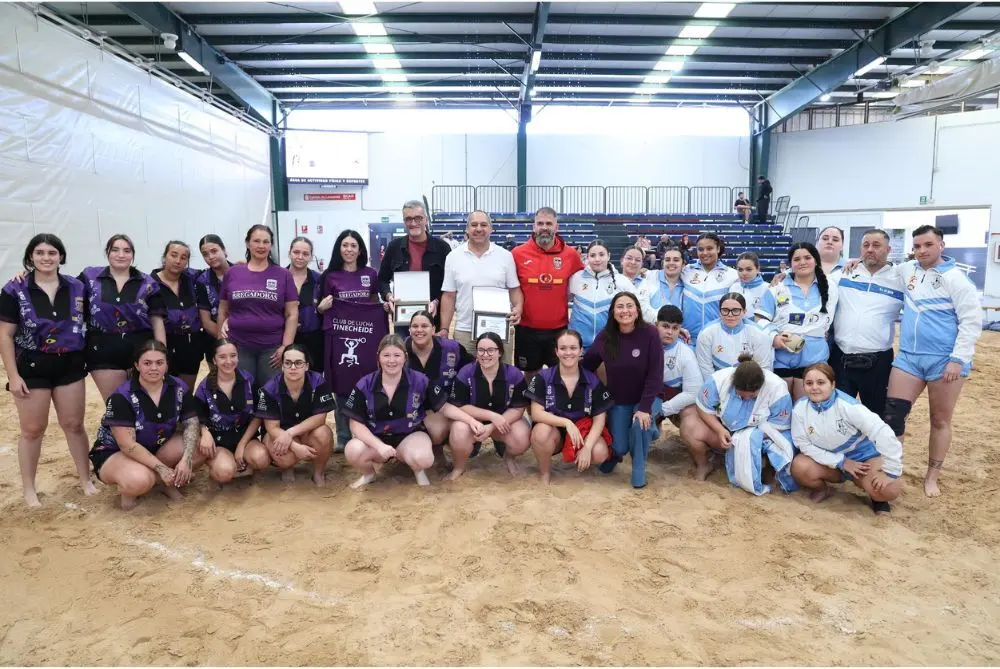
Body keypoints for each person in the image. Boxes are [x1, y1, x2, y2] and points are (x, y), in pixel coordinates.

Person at [881, 225, 981, 498]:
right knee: (893, 416)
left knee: (939, 420)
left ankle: (932, 476)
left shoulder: (956, 279)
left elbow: (971, 322)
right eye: (917, 246)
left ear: (941, 245)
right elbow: (880, 269)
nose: (922, 250)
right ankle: (892, 469)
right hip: (909, 358)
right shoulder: (907, 270)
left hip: (945, 361)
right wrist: (854, 263)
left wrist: (957, 360)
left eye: (928, 245)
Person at [0, 234, 96, 507]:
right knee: (32, 429)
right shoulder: (14, 289)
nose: (46, 257)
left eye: (52, 252)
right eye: (40, 252)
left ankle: (85, 480)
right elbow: (5, 335)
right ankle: (29, 490)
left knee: (74, 425)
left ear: (61, 256)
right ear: (30, 257)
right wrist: (13, 376)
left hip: (70, 365)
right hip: (32, 367)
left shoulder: (77, 286)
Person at [342, 334, 483, 488]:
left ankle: (418, 471)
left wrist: (471, 420)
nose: (391, 360)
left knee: (424, 458)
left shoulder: (419, 380)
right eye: (386, 355)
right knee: (353, 450)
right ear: (378, 357)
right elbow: (355, 424)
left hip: (409, 436)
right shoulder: (365, 384)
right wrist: (379, 446)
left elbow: (444, 407)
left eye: (397, 355)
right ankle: (369, 474)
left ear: (405, 357)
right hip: (377, 439)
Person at [88, 340, 203, 510]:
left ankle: (166, 484)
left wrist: (186, 460)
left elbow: (191, 423)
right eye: (147, 363)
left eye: (159, 363)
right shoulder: (122, 396)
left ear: (166, 365)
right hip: (116, 452)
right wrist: (161, 468)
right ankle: (130, 492)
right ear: (137, 365)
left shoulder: (178, 387)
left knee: (200, 448)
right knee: (140, 480)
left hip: (157, 446)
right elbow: (127, 445)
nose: (154, 368)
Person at [790, 363, 903, 514]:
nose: (814, 387)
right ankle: (823, 489)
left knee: (890, 489)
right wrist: (841, 462)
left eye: (821, 382)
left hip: (863, 461)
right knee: (799, 467)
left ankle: (877, 498)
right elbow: (802, 443)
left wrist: (890, 471)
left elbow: (883, 432)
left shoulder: (849, 406)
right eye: (809, 383)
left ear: (833, 384)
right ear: (803, 386)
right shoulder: (800, 408)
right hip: (832, 462)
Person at [582, 293, 664, 488]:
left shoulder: (650, 333)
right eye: (620, 306)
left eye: (629, 306)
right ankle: (623, 451)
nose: (625, 311)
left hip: (648, 397)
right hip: (619, 399)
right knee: (619, 447)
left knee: (639, 425)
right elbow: (587, 366)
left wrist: (644, 408)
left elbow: (655, 375)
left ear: (637, 310)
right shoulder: (606, 336)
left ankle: (638, 470)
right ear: (613, 312)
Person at [316, 229, 385, 451]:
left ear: (360, 250)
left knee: (369, 385)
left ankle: (369, 434)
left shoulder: (370, 274)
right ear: (339, 249)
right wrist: (321, 308)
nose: (349, 250)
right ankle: (344, 437)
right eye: (345, 245)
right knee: (342, 387)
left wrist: (383, 308)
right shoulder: (329, 276)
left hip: (366, 337)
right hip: (339, 339)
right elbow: (320, 307)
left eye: (353, 245)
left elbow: (374, 302)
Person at [78, 234, 167, 401]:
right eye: (115, 250)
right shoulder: (89, 277)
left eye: (127, 251)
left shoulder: (147, 282)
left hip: (141, 350)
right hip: (103, 351)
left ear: (133, 254)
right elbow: (62, 286)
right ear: (107, 252)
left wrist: (162, 354)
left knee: (143, 403)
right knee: (117, 404)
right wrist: (29, 276)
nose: (121, 255)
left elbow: (157, 321)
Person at [691, 353, 796, 493]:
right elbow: (703, 408)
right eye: (741, 395)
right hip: (725, 430)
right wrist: (719, 430)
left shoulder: (777, 388)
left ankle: (768, 471)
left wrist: (747, 438)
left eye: (752, 396)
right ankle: (704, 464)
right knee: (691, 428)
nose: (746, 399)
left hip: (762, 435)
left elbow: (780, 426)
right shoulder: (718, 380)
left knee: (780, 442)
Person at [524, 330, 614, 485]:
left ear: (581, 350)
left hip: (582, 432)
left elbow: (600, 419)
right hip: (555, 431)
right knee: (540, 433)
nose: (568, 353)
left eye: (573, 348)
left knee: (600, 452)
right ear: (556, 351)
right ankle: (545, 472)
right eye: (563, 348)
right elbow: (537, 413)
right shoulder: (543, 377)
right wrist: (566, 423)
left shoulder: (592, 380)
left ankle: (581, 459)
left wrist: (587, 448)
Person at [829, 229, 901, 417]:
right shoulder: (845, 273)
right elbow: (815, 281)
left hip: (878, 361)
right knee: (840, 414)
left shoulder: (900, 278)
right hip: (841, 357)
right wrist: (786, 275)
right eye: (866, 245)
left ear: (888, 249)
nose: (870, 249)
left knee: (875, 415)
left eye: (876, 245)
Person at [438, 210, 523, 362]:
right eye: (474, 225)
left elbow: (514, 289)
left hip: (500, 330)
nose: (479, 229)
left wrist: (518, 308)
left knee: (502, 374)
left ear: (491, 228)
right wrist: (444, 328)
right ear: (467, 229)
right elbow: (449, 296)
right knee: (466, 374)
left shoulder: (505, 256)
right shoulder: (453, 257)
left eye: (483, 225)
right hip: (465, 330)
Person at [756, 242, 837, 401]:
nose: (802, 262)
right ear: (790, 264)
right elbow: (760, 318)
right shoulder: (777, 287)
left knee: (806, 406)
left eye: (807, 258)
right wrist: (774, 337)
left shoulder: (831, 286)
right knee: (781, 407)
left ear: (816, 260)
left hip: (814, 357)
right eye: (797, 259)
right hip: (781, 356)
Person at [217, 224, 298, 383]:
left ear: (271, 245)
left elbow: (292, 314)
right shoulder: (233, 273)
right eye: (256, 241)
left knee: (270, 393)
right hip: (238, 346)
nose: (261, 246)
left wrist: (286, 347)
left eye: (266, 242)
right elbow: (222, 310)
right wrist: (221, 344)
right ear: (248, 243)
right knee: (243, 391)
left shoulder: (283, 275)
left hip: (272, 349)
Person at [511, 207, 585, 378]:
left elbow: (586, 280)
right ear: (534, 227)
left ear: (556, 227)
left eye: (549, 224)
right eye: (540, 223)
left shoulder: (571, 255)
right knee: (530, 375)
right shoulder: (517, 254)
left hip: (558, 329)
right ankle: (533, 398)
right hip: (526, 329)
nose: (544, 227)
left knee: (560, 375)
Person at [446, 332, 531, 479]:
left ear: (500, 352)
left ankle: (509, 457)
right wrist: (492, 416)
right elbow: (460, 405)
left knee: (522, 437)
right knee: (458, 430)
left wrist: (492, 426)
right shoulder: (466, 372)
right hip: (473, 423)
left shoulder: (514, 374)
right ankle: (459, 466)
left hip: (502, 422)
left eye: (491, 350)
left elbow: (518, 408)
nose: (485, 355)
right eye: (481, 350)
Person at [254, 344, 334, 485]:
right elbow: (272, 428)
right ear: (282, 366)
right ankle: (287, 468)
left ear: (306, 366)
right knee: (283, 456)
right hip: (279, 433)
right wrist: (295, 447)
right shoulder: (270, 388)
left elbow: (320, 418)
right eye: (288, 363)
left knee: (324, 434)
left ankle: (318, 472)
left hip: (306, 432)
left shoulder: (318, 382)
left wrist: (290, 433)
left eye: (298, 363)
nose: (292, 367)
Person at [193, 338, 266, 486]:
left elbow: (259, 414)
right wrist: (204, 433)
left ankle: (247, 464)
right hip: (219, 440)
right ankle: (219, 466)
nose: (229, 361)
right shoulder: (205, 386)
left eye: (233, 356)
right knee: (225, 472)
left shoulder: (248, 380)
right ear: (214, 360)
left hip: (245, 437)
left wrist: (242, 445)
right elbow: (197, 415)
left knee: (261, 459)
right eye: (222, 357)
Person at [378, 200, 453, 331]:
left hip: (433, 319)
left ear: (426, 219)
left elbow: (449, 285)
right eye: (408, 219)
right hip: (402, 320)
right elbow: (382, 280)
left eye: (418, 218)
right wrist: (389, 296)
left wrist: (436, 301)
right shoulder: (394, 247)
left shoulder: (442, 248)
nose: (413, 223)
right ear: (404, 221)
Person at [405, 310, 474, 447]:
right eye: (415, 326)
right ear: (409, 329)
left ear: (433, 329)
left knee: (439, 430)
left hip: (445, 404)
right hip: (412, 407)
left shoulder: (451, 348)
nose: (419, 330)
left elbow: (471, 369)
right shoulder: (399, 350)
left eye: (424, 326)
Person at [569, 240, 655, 349]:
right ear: (587, 257)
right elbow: (562, 300)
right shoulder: (576, 278)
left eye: (601, 254)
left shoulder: (621, 281)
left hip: (608, 347)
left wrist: (659, 320)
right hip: (577, 347)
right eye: (593, 255)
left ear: (608, 256)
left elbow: (641, 308)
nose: (597, 259)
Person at [151, 241, 204, 390]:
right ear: (165, 256)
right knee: (165, 392)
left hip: (191, 345)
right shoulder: (150, 283)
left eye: (183, 257)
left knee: (186, 393)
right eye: (173, 255)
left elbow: (216, 269)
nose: (178, 260)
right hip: (165, 343)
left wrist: (238, 265)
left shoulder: (192, 278)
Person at [652, 305, 703, 439]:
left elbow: (693, 392)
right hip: (650, 397)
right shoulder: (644, 344)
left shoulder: (686, 353)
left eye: (675, 328)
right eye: (665, 326)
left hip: (678, 400)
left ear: (680, 329)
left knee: (692, 427)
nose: (670, 332)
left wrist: (662, 410)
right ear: (656, 325)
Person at [696, 293, 774, 380]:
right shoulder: (706, 333)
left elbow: (763, 369)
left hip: (749, 381)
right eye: (725, 310)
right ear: (719, 312)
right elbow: (705, 368)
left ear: (744, 312)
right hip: (717, 381)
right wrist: (716, 385)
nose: (730, 315)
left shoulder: (759, 334)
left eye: (736, 310)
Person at [679, 233, 739, 344]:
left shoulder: (732, 275)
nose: (705, 253)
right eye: (701, 249)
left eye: (709, 248)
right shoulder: (686, 271)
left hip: (718, 340)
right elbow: (665, 274)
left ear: (718, 249)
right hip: (688, 339)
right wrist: (646, 272)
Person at [286, 236, 324, 373]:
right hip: (285, 339)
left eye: (305, 253)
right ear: (289, 253)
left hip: (314, 340)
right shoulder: (279, 278)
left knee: (314, 378)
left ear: (311, 257)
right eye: (296, 252)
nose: (300, 257)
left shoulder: (319, 279)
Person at [195, 234, 233, 349]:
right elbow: (206, 322)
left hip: (244, 337)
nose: (210, 257)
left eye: (214, 251)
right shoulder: (202, 281)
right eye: (205, 254)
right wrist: (224, 342)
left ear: (224, 250)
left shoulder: (241, 273)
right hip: (216, 339)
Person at [644, 246, 686, 312]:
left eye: (676, 260)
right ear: (663, 263)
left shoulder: (688, 283)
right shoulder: (650, 276)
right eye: (667, 260)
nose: (671, 263)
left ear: (683, 264)